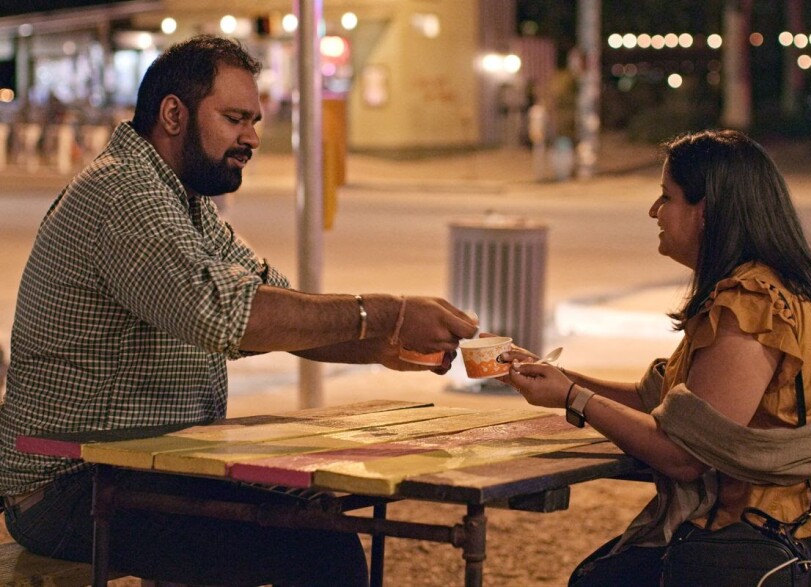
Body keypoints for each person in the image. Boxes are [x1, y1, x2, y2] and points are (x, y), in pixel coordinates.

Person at [0, 35, 478, 586]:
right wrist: (387, 314)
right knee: (318, 547)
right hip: (70, 484)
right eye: (234, 118)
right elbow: (226, 315)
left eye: (253, 119)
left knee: (317, 505)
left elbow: (280, 309)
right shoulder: (123, 192)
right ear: (174, 114)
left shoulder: (186, 201)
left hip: (153, 467)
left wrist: (389, 344)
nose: (251, 137)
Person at [499, 129, 811, 586]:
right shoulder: (755, 288)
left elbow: (683, 455)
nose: (654, 211)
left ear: (708, 211)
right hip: (799, 518)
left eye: (667, 197)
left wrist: (576, 399)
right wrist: (554, 380)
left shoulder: (750, 306)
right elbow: (671, 407)